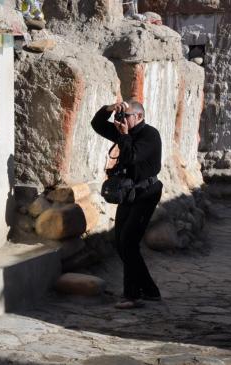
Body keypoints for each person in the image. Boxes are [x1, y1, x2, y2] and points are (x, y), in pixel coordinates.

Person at [91, 100, 162, 309]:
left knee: (129, 243)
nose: (122, 119)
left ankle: (132, 296)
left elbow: (131, 158)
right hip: (129, 195)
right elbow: (97, 124)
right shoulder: (124, 132)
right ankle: (149, 290)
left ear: (139, 117)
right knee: (121, 243)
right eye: (122, 116)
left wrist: (123, 136)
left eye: (126, 115)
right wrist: (110, 109)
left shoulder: (150, 135)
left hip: (146, 194)